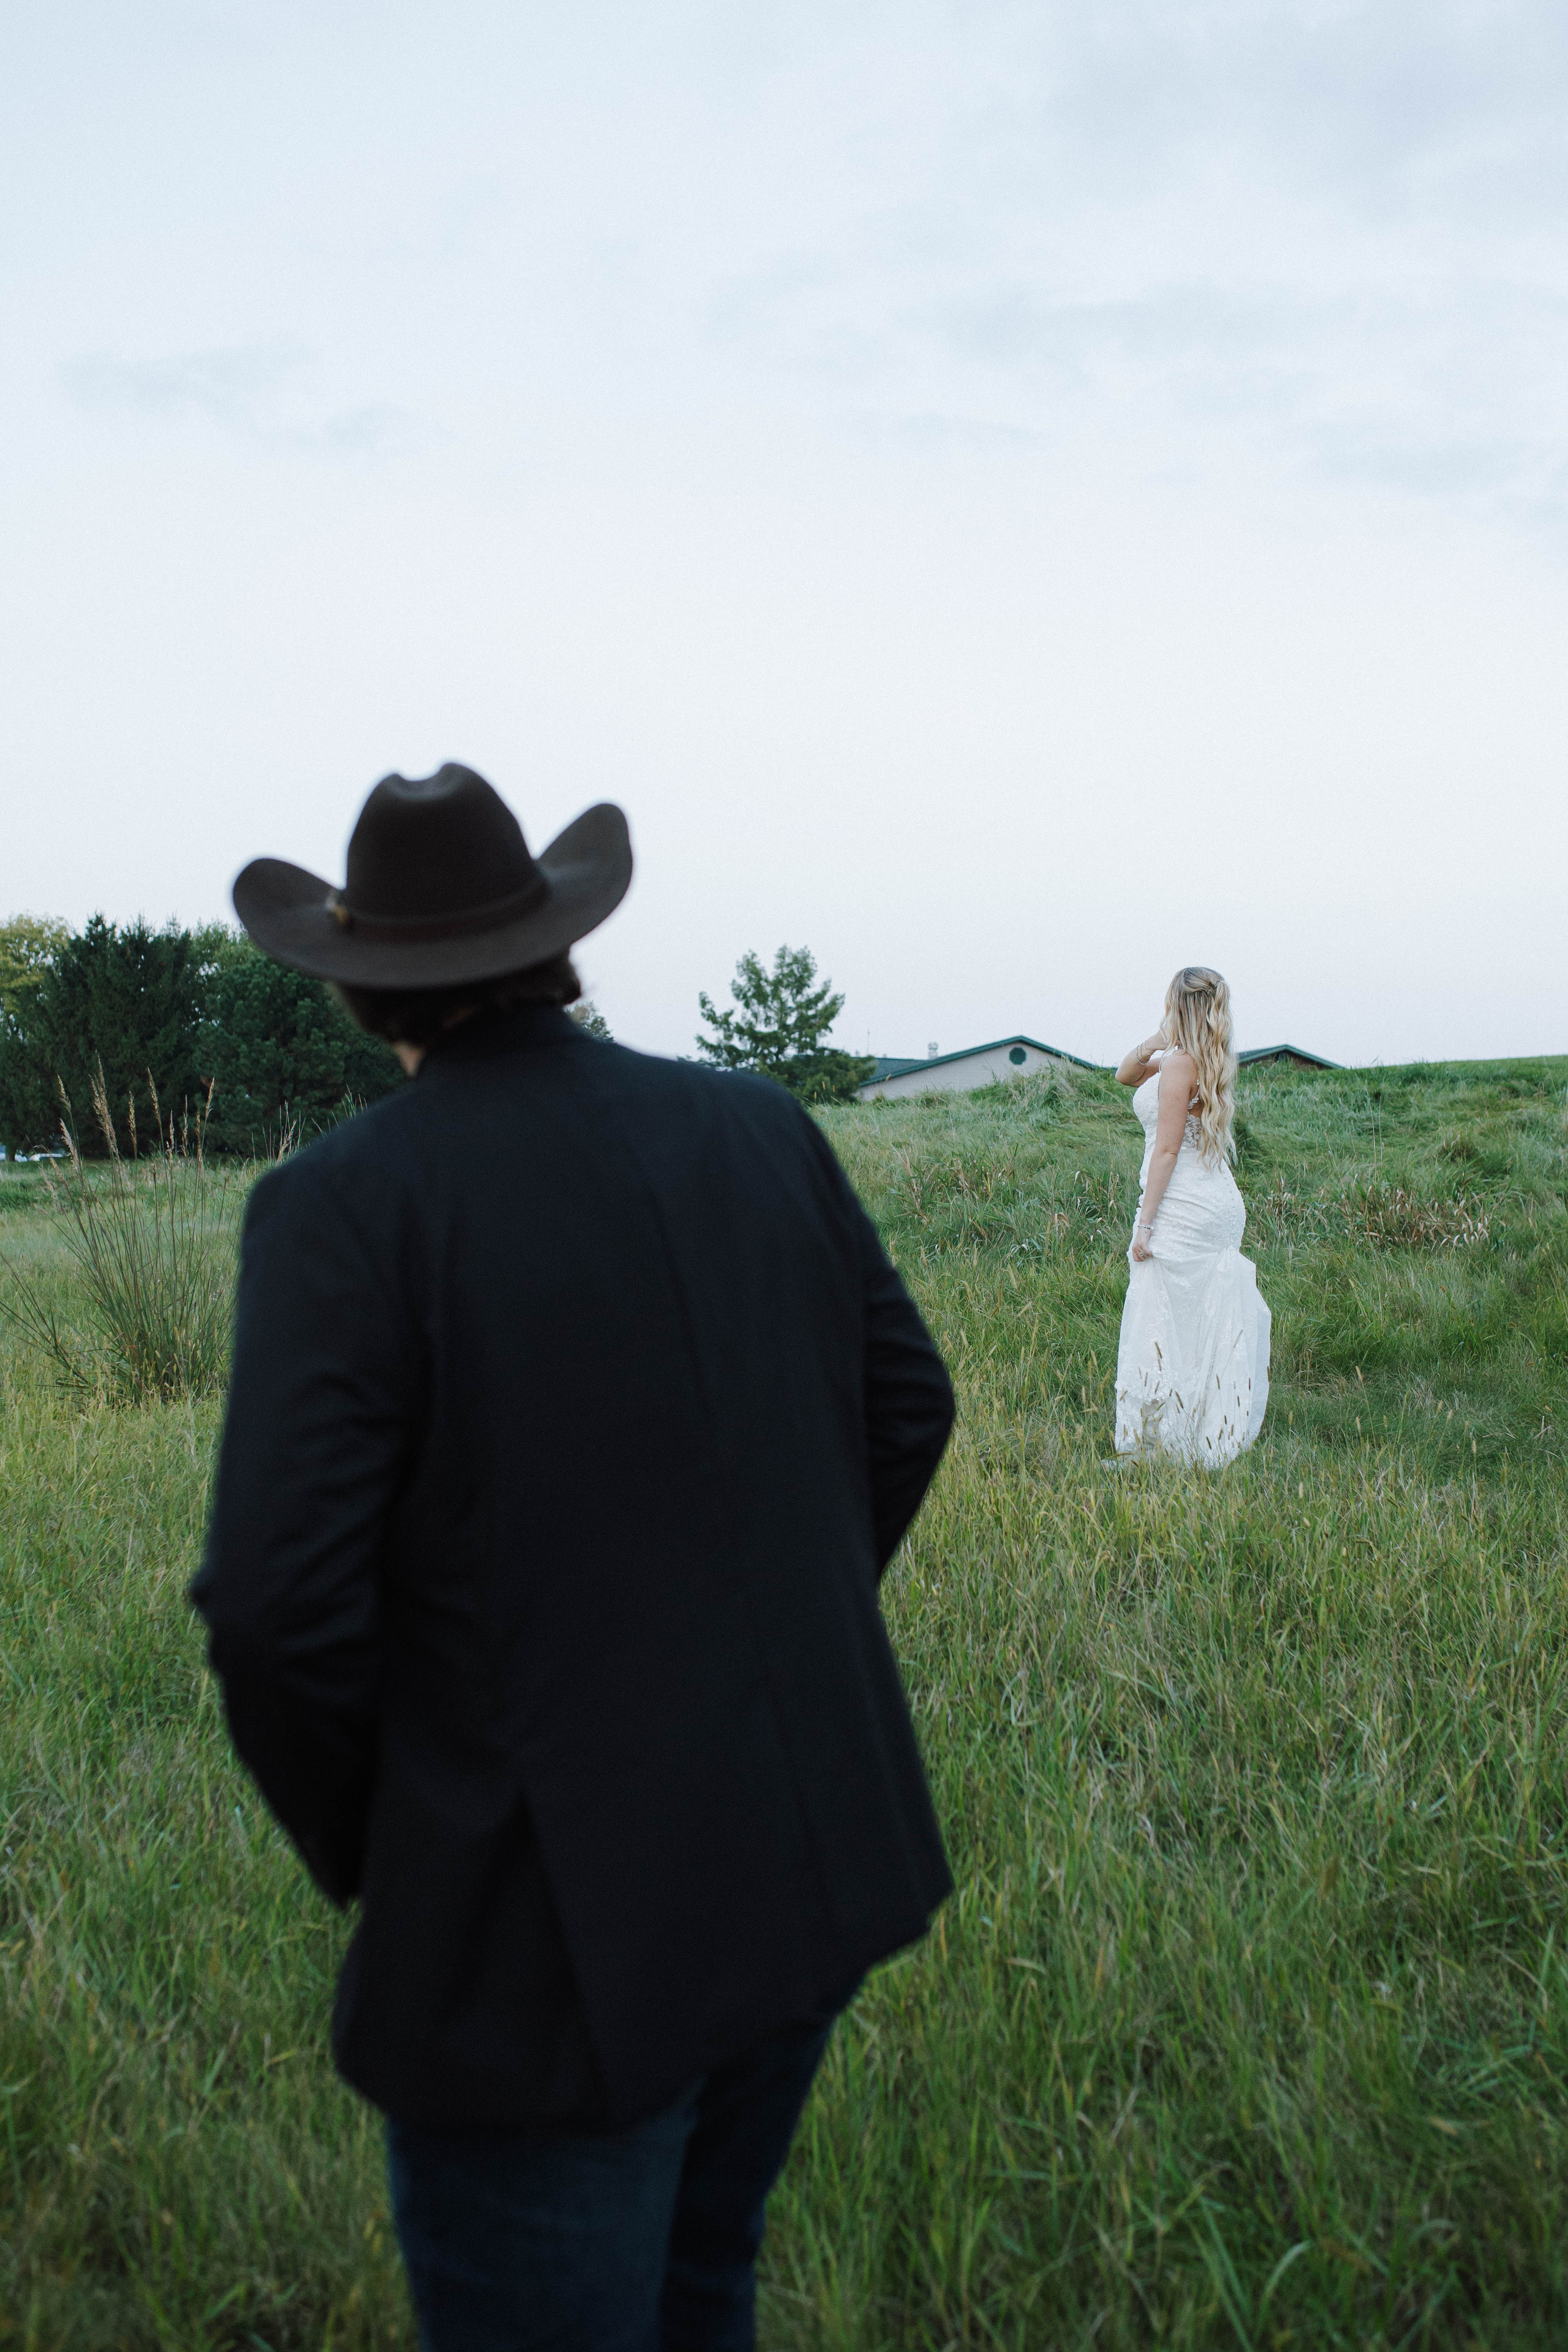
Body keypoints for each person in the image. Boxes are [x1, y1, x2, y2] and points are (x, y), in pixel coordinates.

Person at [191, 764, 955, 2351]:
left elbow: (276, 1616)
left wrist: (396, 1845)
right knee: (700, 2290)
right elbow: (908, 1408)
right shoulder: (757, 1129)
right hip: (797, 1865)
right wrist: (755, 1665)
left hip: (546, 1952)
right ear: (556, 944)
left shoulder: (342, 1207)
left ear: (362, 986)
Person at [1111, 965, 1270, 1466]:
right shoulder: (1197, 1059)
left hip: (1184, 1204)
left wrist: (1144, 1225)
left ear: (1176, 1003)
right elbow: (1124, 1075)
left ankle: (1161, 1446)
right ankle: (1201, 1426)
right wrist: (1154, 1041)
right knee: (1197, 1319)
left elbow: (1166, 1152)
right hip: (1215, 1200)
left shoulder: (1180, 1066)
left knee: (1161, 1315)